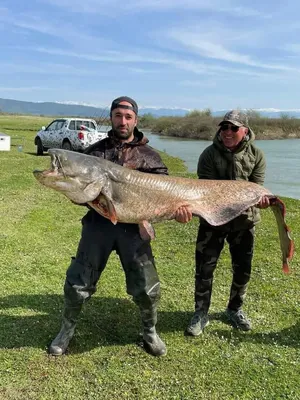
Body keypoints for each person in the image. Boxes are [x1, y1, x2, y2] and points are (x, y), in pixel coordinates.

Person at [48, 96, 190, 357]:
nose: (122, 121)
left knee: (146, 287)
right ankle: (66, 330)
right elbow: (80, 192)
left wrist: (177, 212)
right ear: (111, 118)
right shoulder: (95, 153)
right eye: (117, 115)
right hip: (98, 228)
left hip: (134, 231)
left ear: (135, 120)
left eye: (127, 116)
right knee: (78, 283)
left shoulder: (151, 157)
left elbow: (166, 197)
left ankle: (150, 330)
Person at [185, 110, 270, 336]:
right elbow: (208, 191)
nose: (228, 132)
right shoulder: (208, 155)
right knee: (204, 269)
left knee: (243, 269)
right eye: (224, 127)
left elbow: (256, 187)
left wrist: (258, 200)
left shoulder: (257, 155)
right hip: (212, 221)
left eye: (233, 128)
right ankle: (200, 313)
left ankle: (235, 309)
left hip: (244, 222)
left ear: (245, 130)